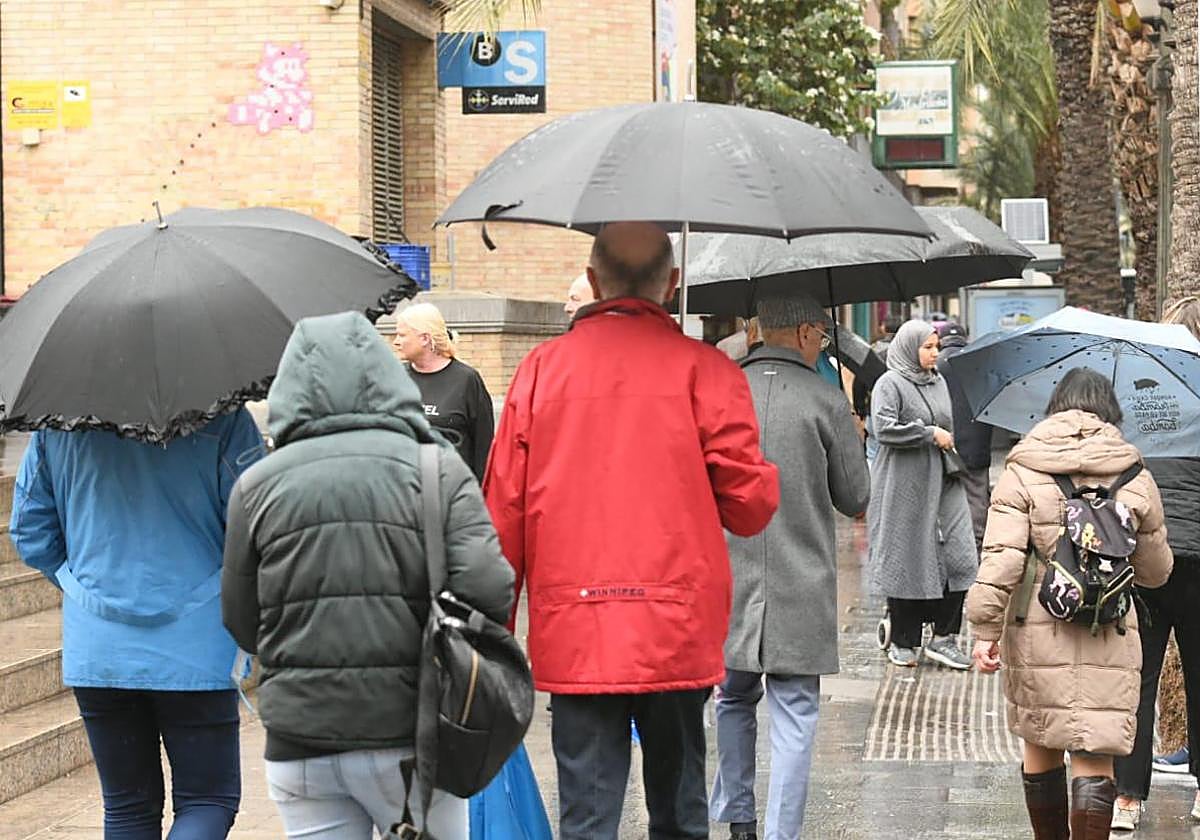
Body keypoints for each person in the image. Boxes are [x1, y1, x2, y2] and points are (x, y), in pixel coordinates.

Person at [484, 221, 780, 840]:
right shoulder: (707, 373)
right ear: (672, 285)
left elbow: (501, 517)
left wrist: (496, 633)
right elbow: (750, 508)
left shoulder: (539, 373)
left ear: (592, 283)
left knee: (587, 818)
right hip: (676, 628)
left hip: (576, 628)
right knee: (679, 812)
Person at [222, 311, 515, 840]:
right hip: (414, 733)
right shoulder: (437, 467)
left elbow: (241, 621)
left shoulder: (256, 485)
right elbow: (491, 589)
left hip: (300, 740)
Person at [10, 409, 264, 837]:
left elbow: (30, 531)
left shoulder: (58, 424)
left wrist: (81, 588)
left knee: (127, 808)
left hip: (99, 647)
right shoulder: (225, 417)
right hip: (198, 646)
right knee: (208, 800)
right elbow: (257, 525)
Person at [967, 367, 1173, 840]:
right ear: (1110, 411)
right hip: (1110, 629)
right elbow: (1156, 572)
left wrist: (984, 631)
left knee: (1041, 742)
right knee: (1094, 751)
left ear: (1055, 406)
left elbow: (1001, 561)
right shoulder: (1135, 473)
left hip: (1038, 628)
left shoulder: (1024, 468)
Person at [710, 295, 870, 840]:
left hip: (726, 579)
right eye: (823, 337)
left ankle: (738, 820)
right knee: (795, 713)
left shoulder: (719, 393)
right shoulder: (825, 400)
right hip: (800, 579)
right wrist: (851, 429)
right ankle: (781, 833)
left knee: (731, 697)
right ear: (804, 332)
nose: (822, 346)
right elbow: (855, 497)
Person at [1112, 296, 1200, 830]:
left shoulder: (1136, 398)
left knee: (1137, 677)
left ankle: (1127, 796)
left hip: (1145, 555)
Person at [868, 319, 976, 670]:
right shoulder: (889, 383)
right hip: (904, 482)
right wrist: (928, 433)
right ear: (909, 347)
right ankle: (904, 638)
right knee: (908, 555)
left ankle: (945, 637)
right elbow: (883, 428)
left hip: (944, 478)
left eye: (936, 347)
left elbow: (950, 425)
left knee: (961, 557)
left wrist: (943, 438)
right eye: (928, 347)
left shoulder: (939, 381)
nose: (935, 353)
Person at [393, 302, 493, 482]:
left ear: (424, 338)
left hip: (454, 492)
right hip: (406, 492)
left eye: (402, 335)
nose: (396, 341)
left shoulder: (466, 380)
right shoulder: (395, 376)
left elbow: (484, 446)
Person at [936, 321, 993, 557]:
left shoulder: (935, 364)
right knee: (977, 496)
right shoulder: (979, 364)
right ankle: (977, 545)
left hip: (945, 441)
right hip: (977, 440)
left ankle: (948, 546)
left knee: (944, 495)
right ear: (965, 338)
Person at [857, 314, 903, 464]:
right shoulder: (905, 352)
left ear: (883, 328)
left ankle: (873, 486)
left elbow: (858, 383)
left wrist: (860, 410)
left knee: (872, 454)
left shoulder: (873, 352)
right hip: (900, 412)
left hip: (873, 409)